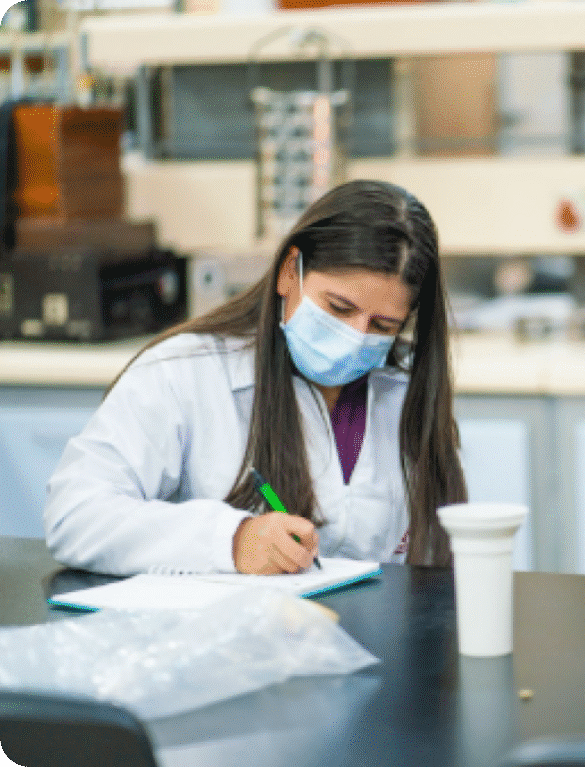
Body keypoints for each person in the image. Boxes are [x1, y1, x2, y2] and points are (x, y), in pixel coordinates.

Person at [45, 179, 467, 576]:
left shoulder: (406, 389)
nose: (356, 338)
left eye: (382, 326)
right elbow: (75, 514)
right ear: (289, 272)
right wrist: (230, 541)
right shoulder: (185, 371)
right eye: (338, 308)